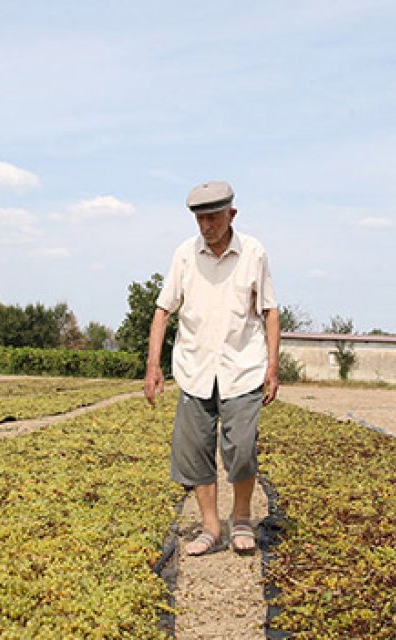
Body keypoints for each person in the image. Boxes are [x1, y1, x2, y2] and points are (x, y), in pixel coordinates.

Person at [143, 180, 280, 556]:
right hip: (195, 368)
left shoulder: (253, 253)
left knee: (240, 449)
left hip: (242, 368)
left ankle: (240, 519)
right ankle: (210, 526)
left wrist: (272, 365)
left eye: (214, 217)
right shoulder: (185, 255)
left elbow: (269, 311)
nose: (207, 226)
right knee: (195, 450)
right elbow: (162, 311)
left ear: (231, 215)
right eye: (201, 219)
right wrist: (153, 366)